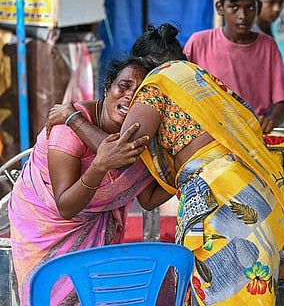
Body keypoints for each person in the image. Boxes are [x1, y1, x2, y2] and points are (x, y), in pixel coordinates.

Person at [49, 23, 284, 305]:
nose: (134, 91)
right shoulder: (202, 80)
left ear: (144, 67)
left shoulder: (156, 84)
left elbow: (121, 154)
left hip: (224, 199)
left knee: (222, 296)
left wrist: (71, 118)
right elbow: (149, 199)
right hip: (258, 194)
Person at [8, 57, 173, 305]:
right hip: (46, 229)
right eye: (124, 86)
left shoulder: (139, 138)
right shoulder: (68, 130)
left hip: (96, 229)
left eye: (138, 93)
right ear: (108, 87)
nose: (129, 96)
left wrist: (183, 175)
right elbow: (65, 206)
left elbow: (148, 199)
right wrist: (99, 165)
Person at [183, 0, 284, 134]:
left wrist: (271, 120)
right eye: (234, 7)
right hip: (209, 136)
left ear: (258, 7)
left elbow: (282, 102)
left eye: (250, 7)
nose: (243, 15)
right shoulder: (199, 43)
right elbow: (180, 92)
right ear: (220, 8)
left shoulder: (268, 46)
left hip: (253, 136)